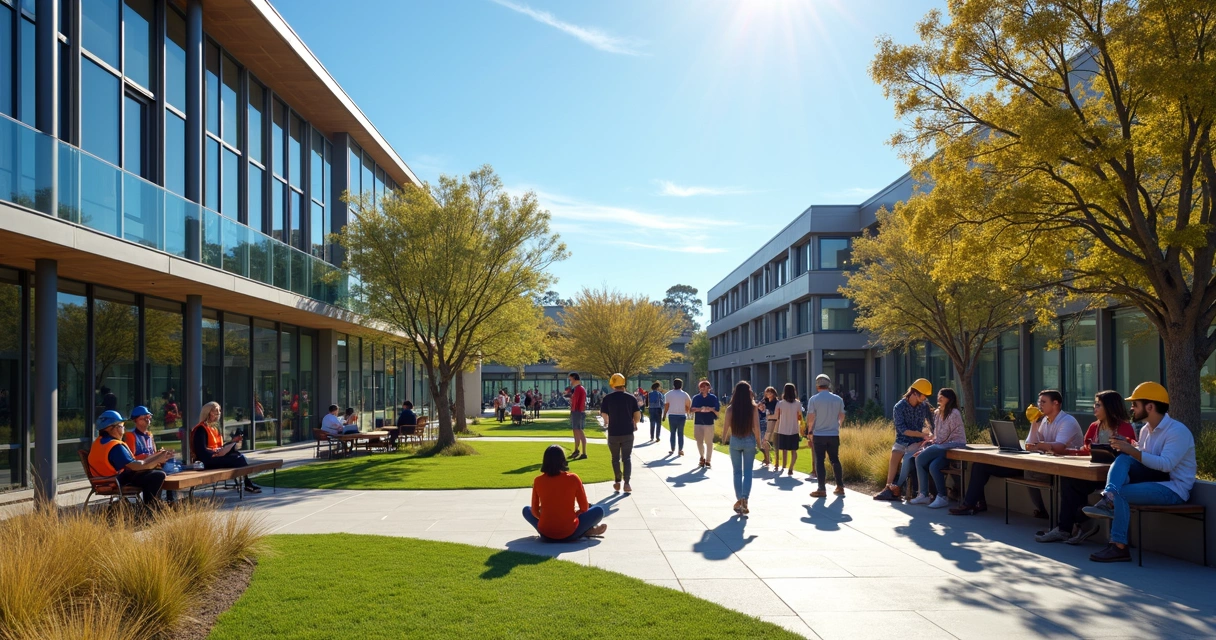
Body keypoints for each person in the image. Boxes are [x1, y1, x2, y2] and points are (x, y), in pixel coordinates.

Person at [1082, 382, 1196, 563]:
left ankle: (1119, 546)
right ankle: (1109, 495)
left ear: (1150, 406)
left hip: (1174, 489)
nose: (1131, 408)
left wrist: (1132, 450)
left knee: (1122, 492)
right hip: (1154, 478)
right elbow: (1143, 458)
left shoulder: (1177, 431)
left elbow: (1166, 465)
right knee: (1123, 458)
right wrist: (1129, 448)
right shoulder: (1145, 430)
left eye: (1135, 404)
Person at [950, 389, 1083, 516]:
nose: (1039, 405)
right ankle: (974, 504)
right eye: (1039, 402)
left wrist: (1039, 445)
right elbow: (1030, 445)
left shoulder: (1067, 421)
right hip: (1038, 464)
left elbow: (1058, 447)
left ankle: (1043, 511)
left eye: (1043, 402)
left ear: (1056, 403)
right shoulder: (1044, 421)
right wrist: (1034, 423)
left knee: (1029, 474)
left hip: (1061, 468)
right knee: (980, 465)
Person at [1035, 390, 1138, 543]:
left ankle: (1077, 524)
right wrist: (1067, 452)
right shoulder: (1094, 427)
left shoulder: (1125, 428)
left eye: (1098, 405)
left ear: (1109, 407)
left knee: (1072, 485)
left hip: (1114, 478)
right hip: (1094, 473)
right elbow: (1086, 450)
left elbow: (1131, 452)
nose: (1094, 408)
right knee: (1069, 480)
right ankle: (1067, 529)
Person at [522, 445, 607, 541]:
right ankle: (585, 531)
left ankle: (583, 530)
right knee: (598, 510)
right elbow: (584, 507)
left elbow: (534, 511)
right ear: (563, 460)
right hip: (569, 533)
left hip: (546, 534)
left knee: (526, 510)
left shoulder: (538, 480)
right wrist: (574, 515)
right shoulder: (573, 478)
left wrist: (544, 518)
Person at [88, 410, 171, 506]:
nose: (124, 428)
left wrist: (156, 458)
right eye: (122, 425)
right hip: (116, 481)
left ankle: (152, 506)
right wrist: (157, 460)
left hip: (105, 480)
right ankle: (150, 508)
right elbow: (136, 466)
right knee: (157, 475)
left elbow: (138, 463)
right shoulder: (115, 446)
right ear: (111, 428)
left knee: (153, 472)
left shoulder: (99, 443)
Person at [874, 379, 933, 501]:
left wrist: (931, 435)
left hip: (916, 443)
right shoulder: (899, 407)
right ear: (915, 393)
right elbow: (902, 430)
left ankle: (895, 488)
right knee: (895, 454)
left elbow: (932, 424)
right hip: (902, 440)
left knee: (906, 461)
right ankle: (888, 486)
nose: (925, 398)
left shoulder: (924, 406)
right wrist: (921, 434)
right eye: (923, 395)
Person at [910, 388, 967, 508]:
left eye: (942, 396)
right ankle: (936, 496)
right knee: (933, 466)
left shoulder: (954, 413)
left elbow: (945, 435)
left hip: (955, 445)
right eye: (939, 396)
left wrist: (929, 448)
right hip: (942, 446)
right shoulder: (937, 413)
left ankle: (928, 495)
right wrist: (927, 445)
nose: (939, 398)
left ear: (949, 399)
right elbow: (936, 434)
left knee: (919, 458)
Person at [192, 401, 261, 493]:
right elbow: (201, 451)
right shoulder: (200, 429)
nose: (218, 413)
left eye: (219, 410)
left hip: (217, 456)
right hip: (207, 460)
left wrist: (232, 442)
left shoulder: (215, 428)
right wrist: (216, 453)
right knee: (239, 459)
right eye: (215, 411)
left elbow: (219, 446)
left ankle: (247, 483)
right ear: (207, 412)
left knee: (238, 455)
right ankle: (247, 483)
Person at [723, 381, 765, 515]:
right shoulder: (753, 408)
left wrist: (724, 439)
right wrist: (759, 442)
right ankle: (745, 498)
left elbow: (726, 426)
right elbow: (757, 428)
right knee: (747, 472)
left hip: (735, 440)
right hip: (749, 440)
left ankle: (739, 499)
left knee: (736, 472)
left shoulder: (730, 408)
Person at [806, 374, 846, 497]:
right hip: (833, 434)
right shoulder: (838, 399)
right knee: (835, 459)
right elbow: (842, 415)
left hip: (819, 434)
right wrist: (838, 425)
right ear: (829, 385)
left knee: (820, 461)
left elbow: (811, 417)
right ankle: (840, 486)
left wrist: (810, 431)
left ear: (817, 385)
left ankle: (821, 488)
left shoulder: (814, 399)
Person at [599, 373, 639, 493]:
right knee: (626, 458)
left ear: (613, 385)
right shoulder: (631, 398)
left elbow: (604, 413)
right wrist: (635, 423)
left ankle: (617, 481)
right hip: (627, 432)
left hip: (613, 432)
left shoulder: (607, 398)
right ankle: (627, 483)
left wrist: (606, 422)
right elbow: (637, 414)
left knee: (615, 458)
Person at [772, 383, 804, 477]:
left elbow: (776, 416)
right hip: (794, 429)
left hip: (783, 429)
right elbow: (799, 417)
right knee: (794, 450)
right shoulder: (798, 403)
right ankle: (791, 468)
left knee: (784, 449)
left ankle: (784, 466)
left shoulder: (780, 403)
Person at [690, 380, 720, 469]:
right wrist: (700, 409)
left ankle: (708, 460)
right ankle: (702, 457)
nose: (702, 388)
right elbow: (692, 409)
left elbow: (717, 410)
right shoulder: (696, 397)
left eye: (704, 386)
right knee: (699, 441)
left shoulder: (713, 398)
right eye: (701, 386)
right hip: (698, 422)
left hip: (709, 423)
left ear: (709, 388)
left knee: (709, 442)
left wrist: (710, 409)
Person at [663, 378, 692, 456]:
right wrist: (688, 413)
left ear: (673, 385)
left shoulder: (668, 394)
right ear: (681, 385)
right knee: (680, 433)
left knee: (672, 433)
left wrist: (664, 414)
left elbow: (666, 405)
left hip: (672, 415)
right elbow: (688, 405)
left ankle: (672, 448)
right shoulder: (685, 394)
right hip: (682, 415)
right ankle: (680, 449)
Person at [567, 373, 589, 461]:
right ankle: (576, 450)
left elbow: (576, 401)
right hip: (576, 411)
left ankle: (584, 452)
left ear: (575, 379)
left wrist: (571, 400)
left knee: (579, 430)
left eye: (571, 379)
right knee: (576, 430)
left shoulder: (579, 389)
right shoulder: (577, 389)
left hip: (578, 411)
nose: (570, 382)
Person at [759, 386, 778, 469]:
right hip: (767, 423)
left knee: (774, 442)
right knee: (764, 442)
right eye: (767, 392)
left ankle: (776, 461)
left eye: (770, 392)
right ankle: (767, 459)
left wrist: (769, 416)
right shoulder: (765, 401)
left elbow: (777, 415)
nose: (768, 394)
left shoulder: (776, 402)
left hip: (774, 422)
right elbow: (758, 406)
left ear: (773, 393)